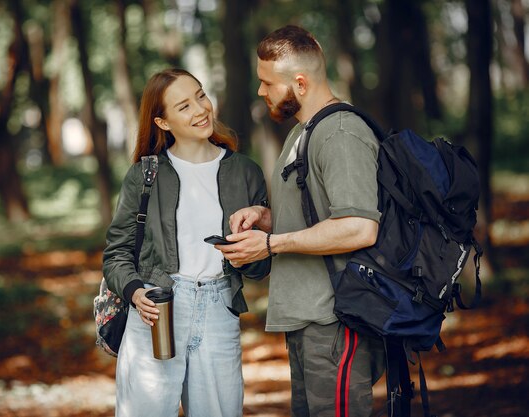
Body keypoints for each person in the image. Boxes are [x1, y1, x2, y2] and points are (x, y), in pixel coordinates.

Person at [218, 26, 384, 416]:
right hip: (307, 319)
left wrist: (272, 244)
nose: (261, 92)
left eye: (267, 83)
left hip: (336, 321)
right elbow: (321, 216)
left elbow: (360, 226)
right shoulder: (303, 133)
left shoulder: (341, 133)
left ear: (300, 83)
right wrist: (265, 219)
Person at [102, 68, 271, 417]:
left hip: (219, 310)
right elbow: (117, 253)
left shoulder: (246, 172)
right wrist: (135, 291)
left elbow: (261, 264)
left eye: (200, 95)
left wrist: (245, 256)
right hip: (156, 309)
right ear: (162, 123)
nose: (200, 109)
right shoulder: (145, 175)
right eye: (183, 106)